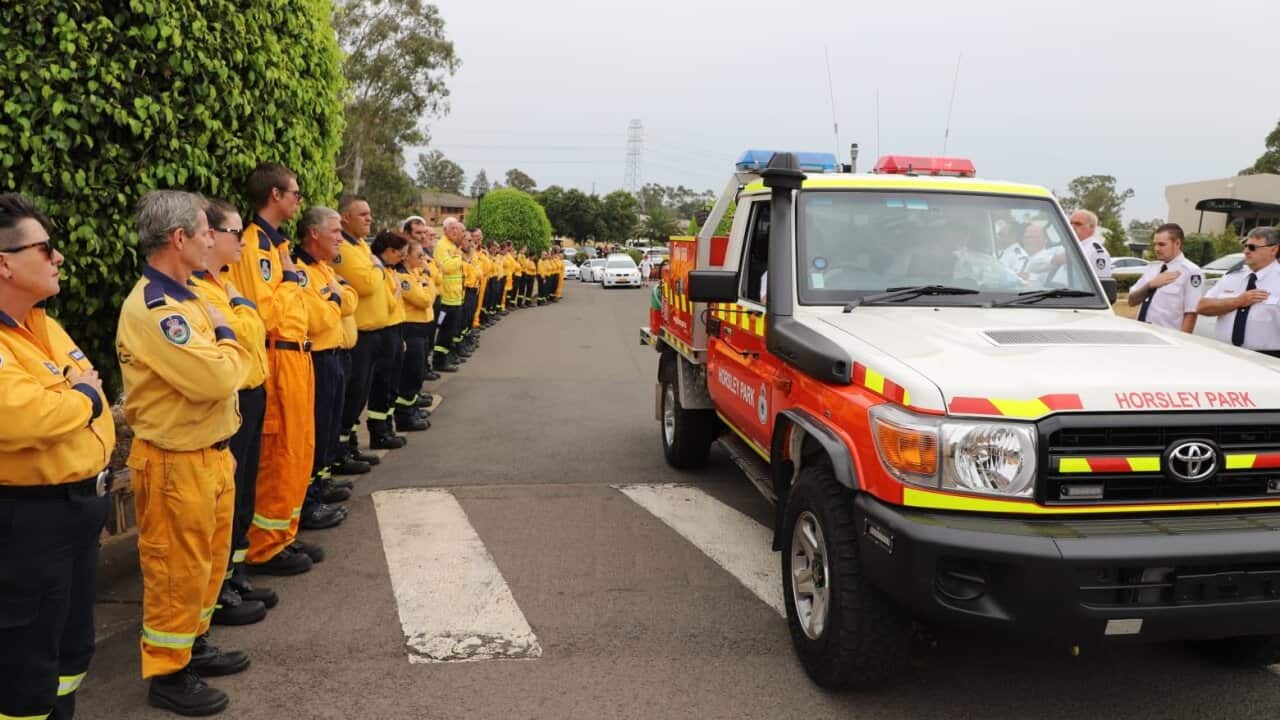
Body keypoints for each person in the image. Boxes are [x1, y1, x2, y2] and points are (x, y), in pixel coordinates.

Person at [117, 190, 252, 715]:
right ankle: (168, 675)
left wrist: (224, 343)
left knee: (206, 565)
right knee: (176, 572)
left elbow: (224, 366)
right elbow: (218, 377)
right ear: (179, 238)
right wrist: (227, 334)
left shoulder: (188, 296)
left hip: (207, 454)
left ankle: (191, 648)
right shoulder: (156, 309)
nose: (212, 240)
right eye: (204, 232)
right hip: (176, 461)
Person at [0, 193, 114, 720]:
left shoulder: (42, 325)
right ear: (5, 264)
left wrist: (78, 395)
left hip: (74, 515)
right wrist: (83, 395)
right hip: (28, 524)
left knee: (69, 656)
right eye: (45, 249)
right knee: (25, 670)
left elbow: (80, 389)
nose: (59, 257)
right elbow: (27, 417)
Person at [229, 164, 335, 575]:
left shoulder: (279, 246)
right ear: (275, 195)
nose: (298, 200)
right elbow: (268, 312)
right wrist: (292, 282)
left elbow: (300, 308)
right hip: (277, 355)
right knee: (278, 453)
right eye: (295, 193)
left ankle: (284, 533)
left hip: (297, 354)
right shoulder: (256, 245)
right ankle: (265, 545)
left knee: (298, 448)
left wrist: (291, 284)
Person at [188, 199, 275, 625]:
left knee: (244, 490)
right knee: (229, 494)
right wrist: (244, 310)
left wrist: (242, 311)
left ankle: (235, 572)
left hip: (253, 391)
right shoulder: (197, 289)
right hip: (233, 396)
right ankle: (219, 587)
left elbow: (252, 329)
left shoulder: (224, 285)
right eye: (234, 233)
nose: (241, 241)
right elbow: (241, 331)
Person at [293, 207, 358, 530]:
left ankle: (320, 485)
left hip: (333, 356)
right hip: (316, 359)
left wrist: (335, 298)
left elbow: (351, 300)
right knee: (315, 433)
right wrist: (335, 300)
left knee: (328, 429)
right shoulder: (300, 270)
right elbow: (315, 320)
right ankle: (308, 502)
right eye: (335, 231)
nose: (340, 238)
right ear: (314, 233)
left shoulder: (322, 268)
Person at [333, 196, 405, 452]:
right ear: (345, 218)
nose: (369, 218)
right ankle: (342, 450)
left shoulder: (362, 245)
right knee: (353, 394)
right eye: (362, 214)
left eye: (369, 214)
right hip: (359, 334)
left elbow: (380, 285)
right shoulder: (344, 248)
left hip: (377, 331)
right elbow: (366, 284)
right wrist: (378, 269)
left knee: (361, 394)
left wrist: (376, 269)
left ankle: (350, 446)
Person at [1198, 227, 1280, 354]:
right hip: (1224, 352)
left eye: (1252, 247)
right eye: (1245, 246)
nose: (1246, 251)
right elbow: (1202, 307)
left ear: (1273, 250)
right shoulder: (1232, 276)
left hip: (1266, 358)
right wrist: (1237, 301)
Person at [1126, 223, 1203, 333]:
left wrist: (1181, 341)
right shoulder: (1152, 268)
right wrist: (1150, 285)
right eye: (1155, 244)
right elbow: (1131, 301)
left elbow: (1191, 314)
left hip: (1167, 337)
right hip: (1142, 333)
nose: (1156, 249)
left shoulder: (1191, 272)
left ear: (1177, 243)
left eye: (1162, 244)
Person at [394, 237, 436, 431]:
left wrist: (427, 283)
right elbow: (424, 300)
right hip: (411, 329)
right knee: (410, 375)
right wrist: (427, 283)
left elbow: (429, 296)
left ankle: (412, 410)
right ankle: (405, 416)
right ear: (406, 257)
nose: (423, 259)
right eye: (419, 255)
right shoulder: (404, 278)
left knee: (417, 373)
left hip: (421, 327)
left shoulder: (414, 273)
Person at [1070, 209, 1113, 279]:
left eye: (1078, 224)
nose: (1072, 227)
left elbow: (1102, 280)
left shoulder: (1095, 252)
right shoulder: (1070, 246)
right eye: (1071, 223)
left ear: (1092, 227)